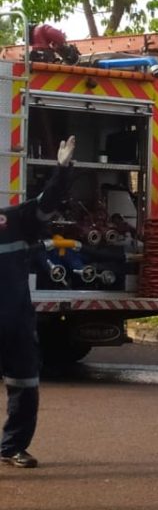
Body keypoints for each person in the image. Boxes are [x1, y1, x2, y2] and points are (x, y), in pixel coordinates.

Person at [0, 136, 74, 468]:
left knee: (24, 383)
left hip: (15, 321)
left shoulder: (13, 220)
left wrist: (62, 168)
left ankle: (13, 446)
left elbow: (49, 202)